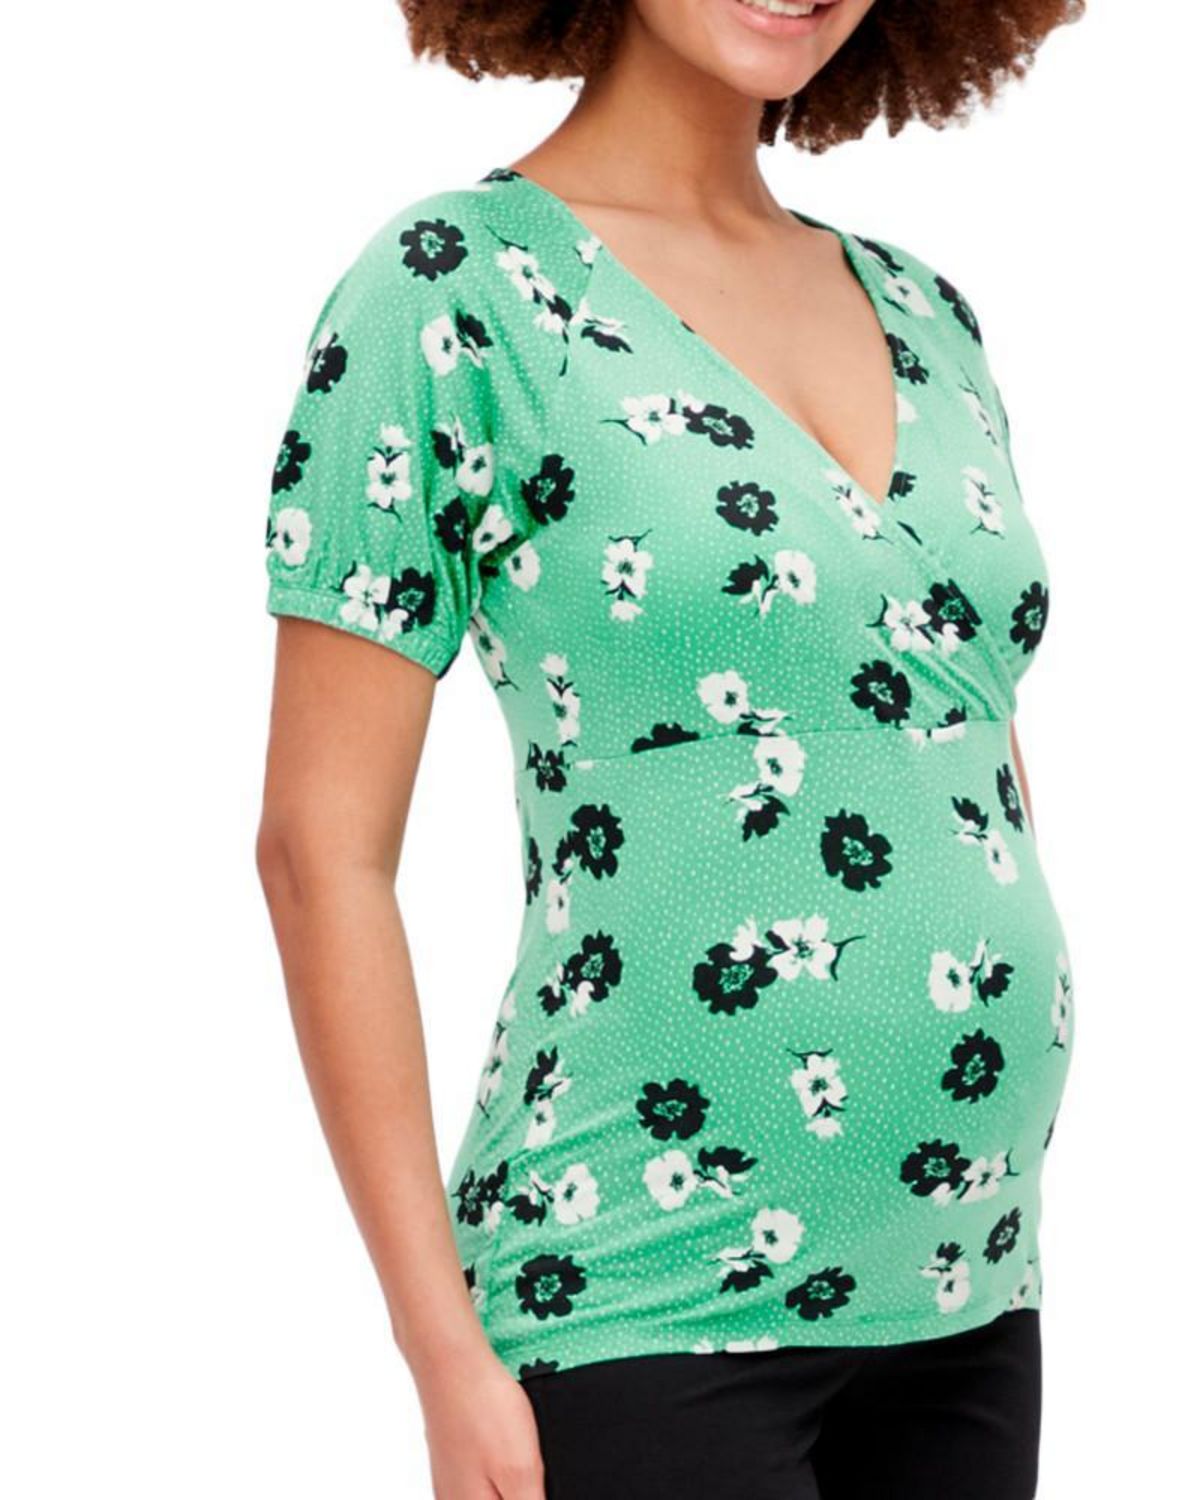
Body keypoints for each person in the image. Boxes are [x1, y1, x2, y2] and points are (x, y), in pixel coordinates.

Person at [256, 0, 1084, 1494]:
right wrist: (441, 1351)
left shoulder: (927, 312)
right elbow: (322, 853)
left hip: (969, 1277)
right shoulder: (454, 291)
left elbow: (965, 755)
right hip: (638, 1286)